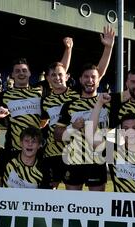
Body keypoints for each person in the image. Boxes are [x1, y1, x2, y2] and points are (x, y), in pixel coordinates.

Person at [53, 26, 115, 191]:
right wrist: (72, 128)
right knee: (73, 207)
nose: (90, 80)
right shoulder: (70, 104)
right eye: (86, 77)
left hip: (98, 160)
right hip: (74, 161)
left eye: (93, 77)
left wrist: (108, 47)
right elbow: (57, 136)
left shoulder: (107, 101)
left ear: (99, 80)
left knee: (97, 207)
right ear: (80, 79)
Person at [0, 106, 51, 188]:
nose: (30, 144)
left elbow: (45, 197)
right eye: (26, 141)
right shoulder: (7, 157)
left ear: (39, 145)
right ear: (21, 143)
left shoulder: (43, 168)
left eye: (34, 141)